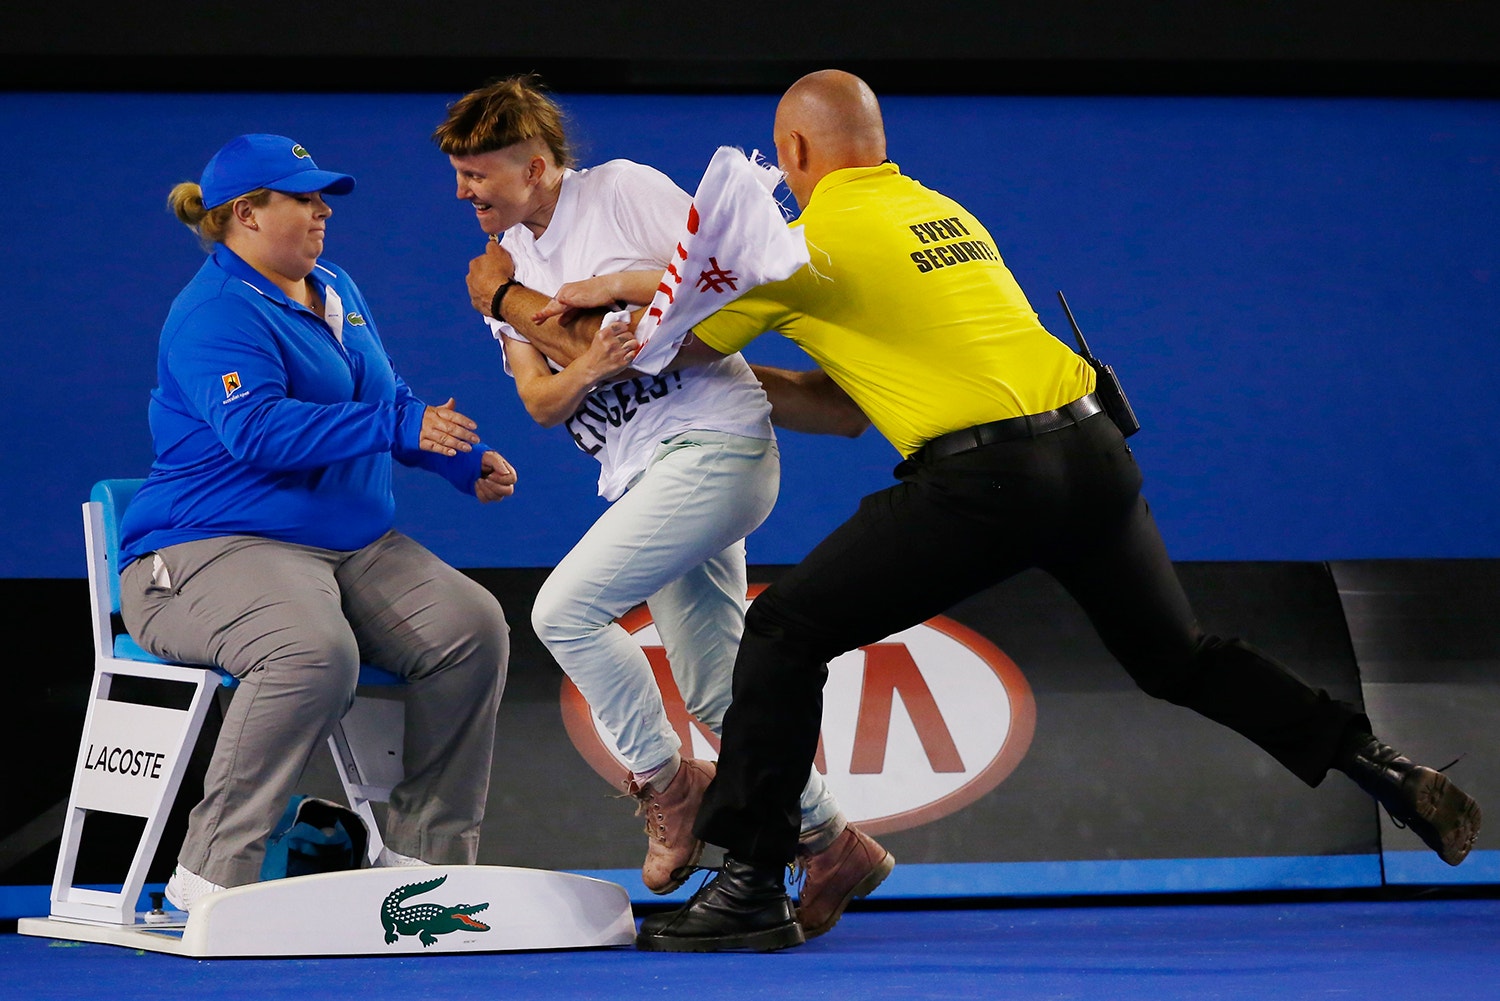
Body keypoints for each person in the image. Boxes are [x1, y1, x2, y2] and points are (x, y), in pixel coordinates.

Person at [483, 70, 1483, 953]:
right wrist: (737, 357)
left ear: (791, 152)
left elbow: (663, 347)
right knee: (1179, 654)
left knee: (784, 631)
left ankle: (750, 886)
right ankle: (1374, 756)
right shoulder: (944, 212)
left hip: (986, 482)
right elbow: (840, 406)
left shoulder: (797, 244)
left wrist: (514, 299)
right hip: (1092, 452)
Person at [436, 75, 891, 922]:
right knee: (717, 689)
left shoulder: (622, 192)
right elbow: (541, 401)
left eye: (477, 175)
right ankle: (832, 841)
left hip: (716, 442)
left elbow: (717, 289)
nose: (463, 193)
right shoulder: (505, 268)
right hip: (648, 472)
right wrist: (581, 354)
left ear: (535, 167)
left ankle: (666, 782)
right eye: (458, 176)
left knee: (564, 611)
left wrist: (589, 305)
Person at [117, 134, 516, 911]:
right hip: (207, 548)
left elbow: (388, 399)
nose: (321, 208)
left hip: (348, 546)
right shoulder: (214, 312)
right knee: (308, 650)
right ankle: (211, 878)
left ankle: (419, 867)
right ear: (245, 215)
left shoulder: (332, 285)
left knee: (473, 628)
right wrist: (400, 430)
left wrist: (457, 459)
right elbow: (257, 431)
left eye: (320, 193)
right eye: (300, 196)